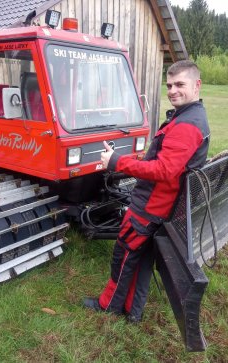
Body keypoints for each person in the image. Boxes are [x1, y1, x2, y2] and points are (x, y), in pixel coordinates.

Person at [83, 60, 210, 323]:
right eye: (169, 85)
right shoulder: (189, 116)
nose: (173, 90)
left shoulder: (187, 125)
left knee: (124, 255)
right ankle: (134, 311)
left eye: (180, 85)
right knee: (140, 260)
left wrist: (117, 162)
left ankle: (110, 305)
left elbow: (164, 170)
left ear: (196, 85)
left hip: (151, 206)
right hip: (162, 206)